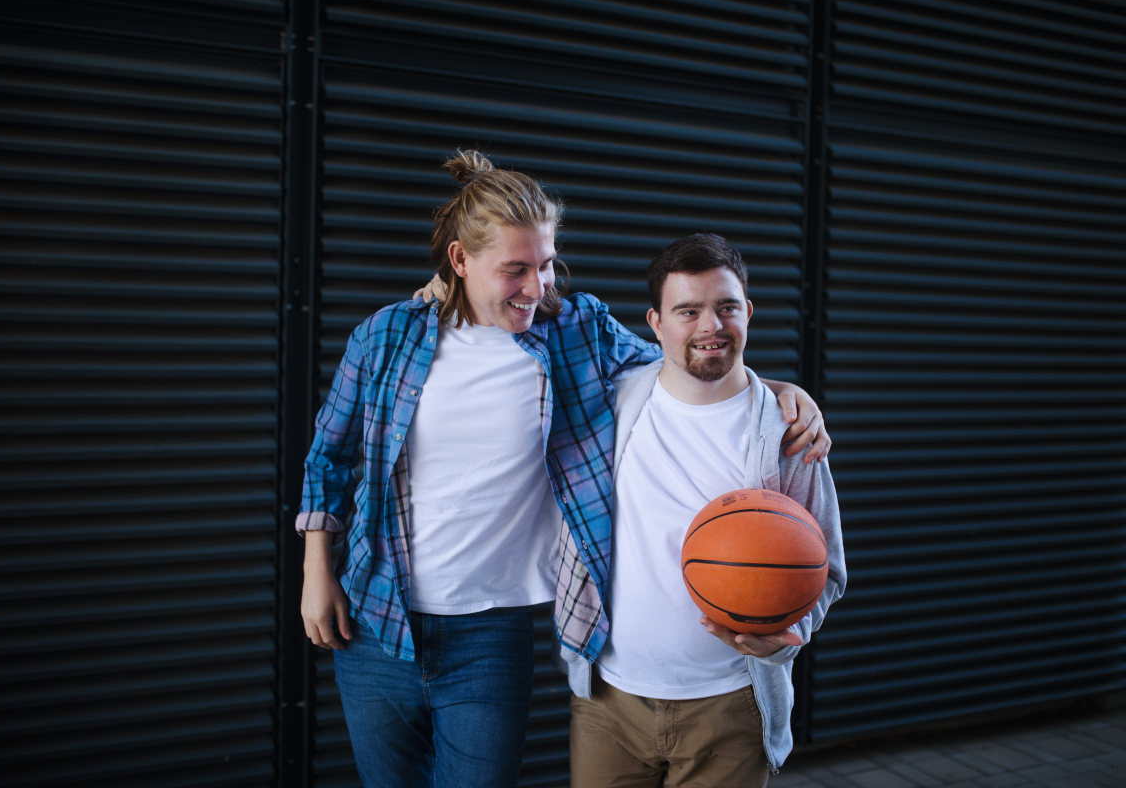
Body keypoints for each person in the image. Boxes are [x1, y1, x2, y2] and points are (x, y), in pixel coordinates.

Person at [298, 151, 830, 788]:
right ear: (461, 261)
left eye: (547, 265)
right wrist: (316, 570)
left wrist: (778, 391)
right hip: (375, 613)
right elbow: (328, 453)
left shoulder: (576, 332)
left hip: (491, 630)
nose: (538, 287)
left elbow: (689, 364)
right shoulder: (387, 337)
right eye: (515, 270)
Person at [560, 233, 846, 788]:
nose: (710, 326)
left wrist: (788, 634)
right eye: (688, 310)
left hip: (730, 706)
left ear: (748, 313)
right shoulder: (612, 405)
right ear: (656, 322)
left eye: (726, 307)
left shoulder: (787, 434)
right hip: (608, 702)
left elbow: (825, 568)